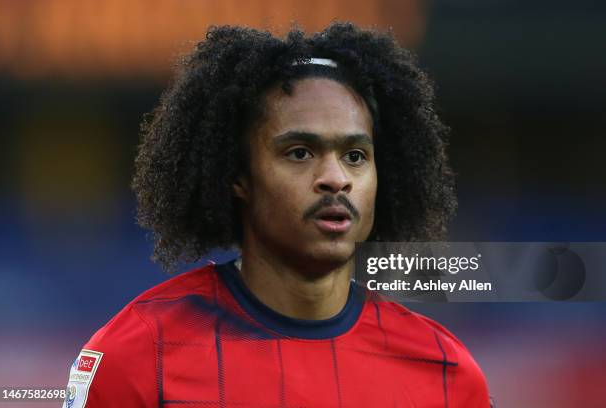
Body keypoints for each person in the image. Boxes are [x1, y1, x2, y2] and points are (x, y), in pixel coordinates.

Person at [63, 22, 491, 407]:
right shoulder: (137, 355)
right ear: (237, 175)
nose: (335, 178)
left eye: (356, 156)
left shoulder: (446, 373)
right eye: (300, 153)